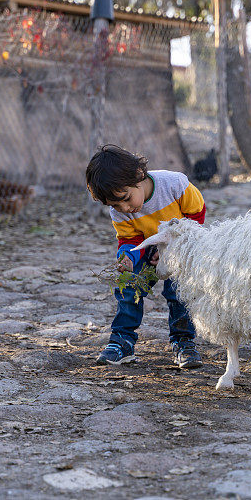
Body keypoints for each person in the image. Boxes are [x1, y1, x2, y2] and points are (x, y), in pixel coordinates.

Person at [86, 144, 206, 369]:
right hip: (145, 245)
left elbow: (196, 216)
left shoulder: (175, 185)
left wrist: (172, 251)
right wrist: (128, 257)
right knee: (128, 285)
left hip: (179, 245)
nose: (124, 208)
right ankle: (122, 340)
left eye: (126, 198)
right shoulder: (120, 210)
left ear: (138, 176)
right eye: (115, 205)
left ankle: (183, 341)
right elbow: (128, 239)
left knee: (178, 290)